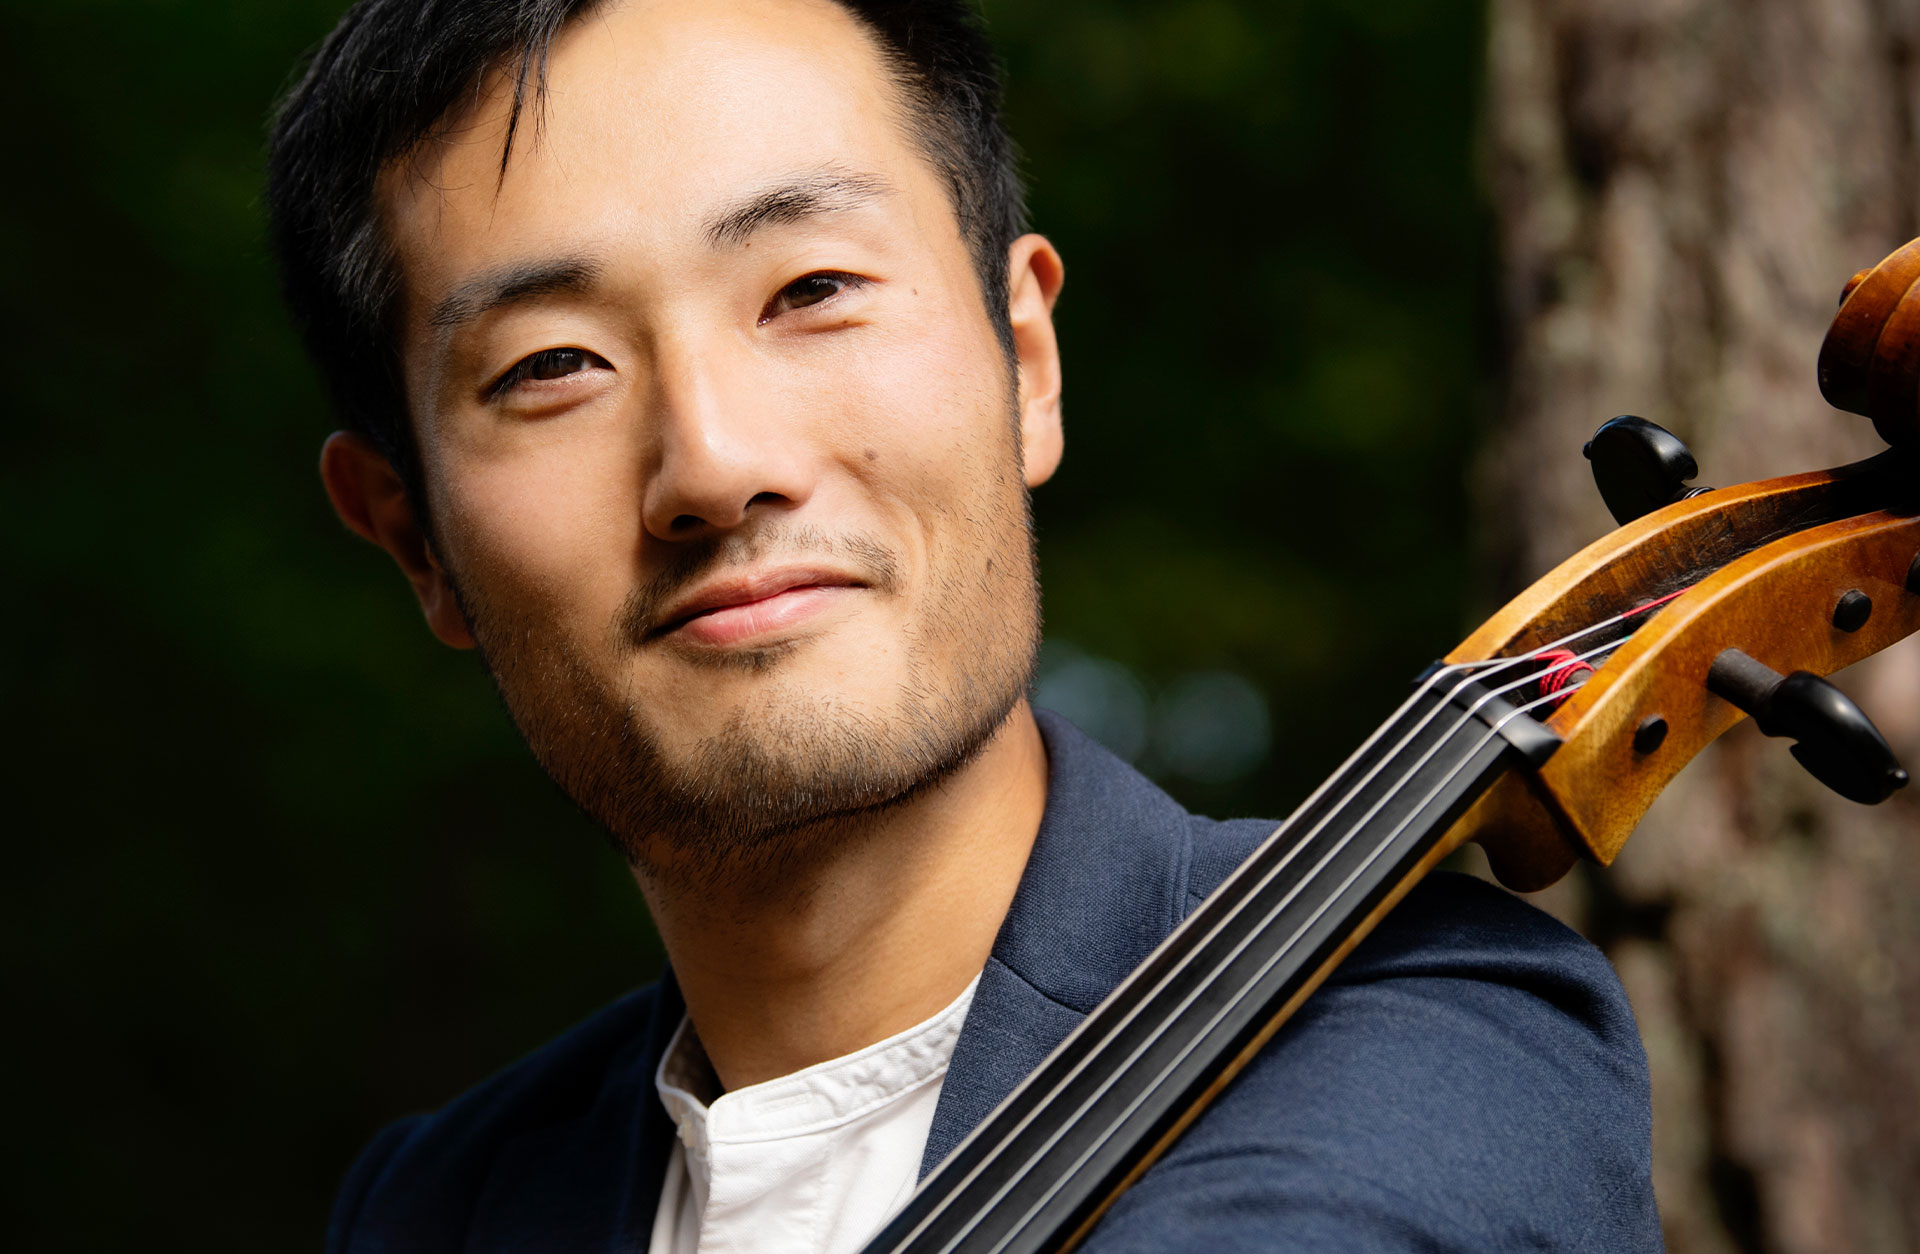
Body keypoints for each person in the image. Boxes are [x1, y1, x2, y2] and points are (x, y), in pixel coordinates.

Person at [267, 0, 1662, 1249]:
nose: (714, 463)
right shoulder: (436, 1206)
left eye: (812, 291)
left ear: (1027, 364)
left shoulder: (1418, 1024)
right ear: (414, 539)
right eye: (553, 364)